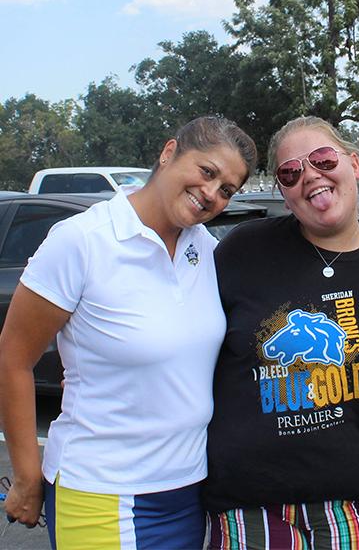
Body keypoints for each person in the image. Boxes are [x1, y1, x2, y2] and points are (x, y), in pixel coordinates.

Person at [0, 116, 257, 549]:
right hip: (102, 491)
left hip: (189, 490)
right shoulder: (83, 241)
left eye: (227, 189)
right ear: (169, 152)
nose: (212, 194)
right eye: (207, 172)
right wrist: (27, 476)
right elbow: (13, 356)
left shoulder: (206, 249)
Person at [202, 116, 359, 549]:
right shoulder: (242, 252)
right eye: (290, 172)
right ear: (283, 192)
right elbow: (180, 339)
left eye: (323, 159)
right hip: (248, 512)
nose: (310, 175)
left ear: (354, 164)